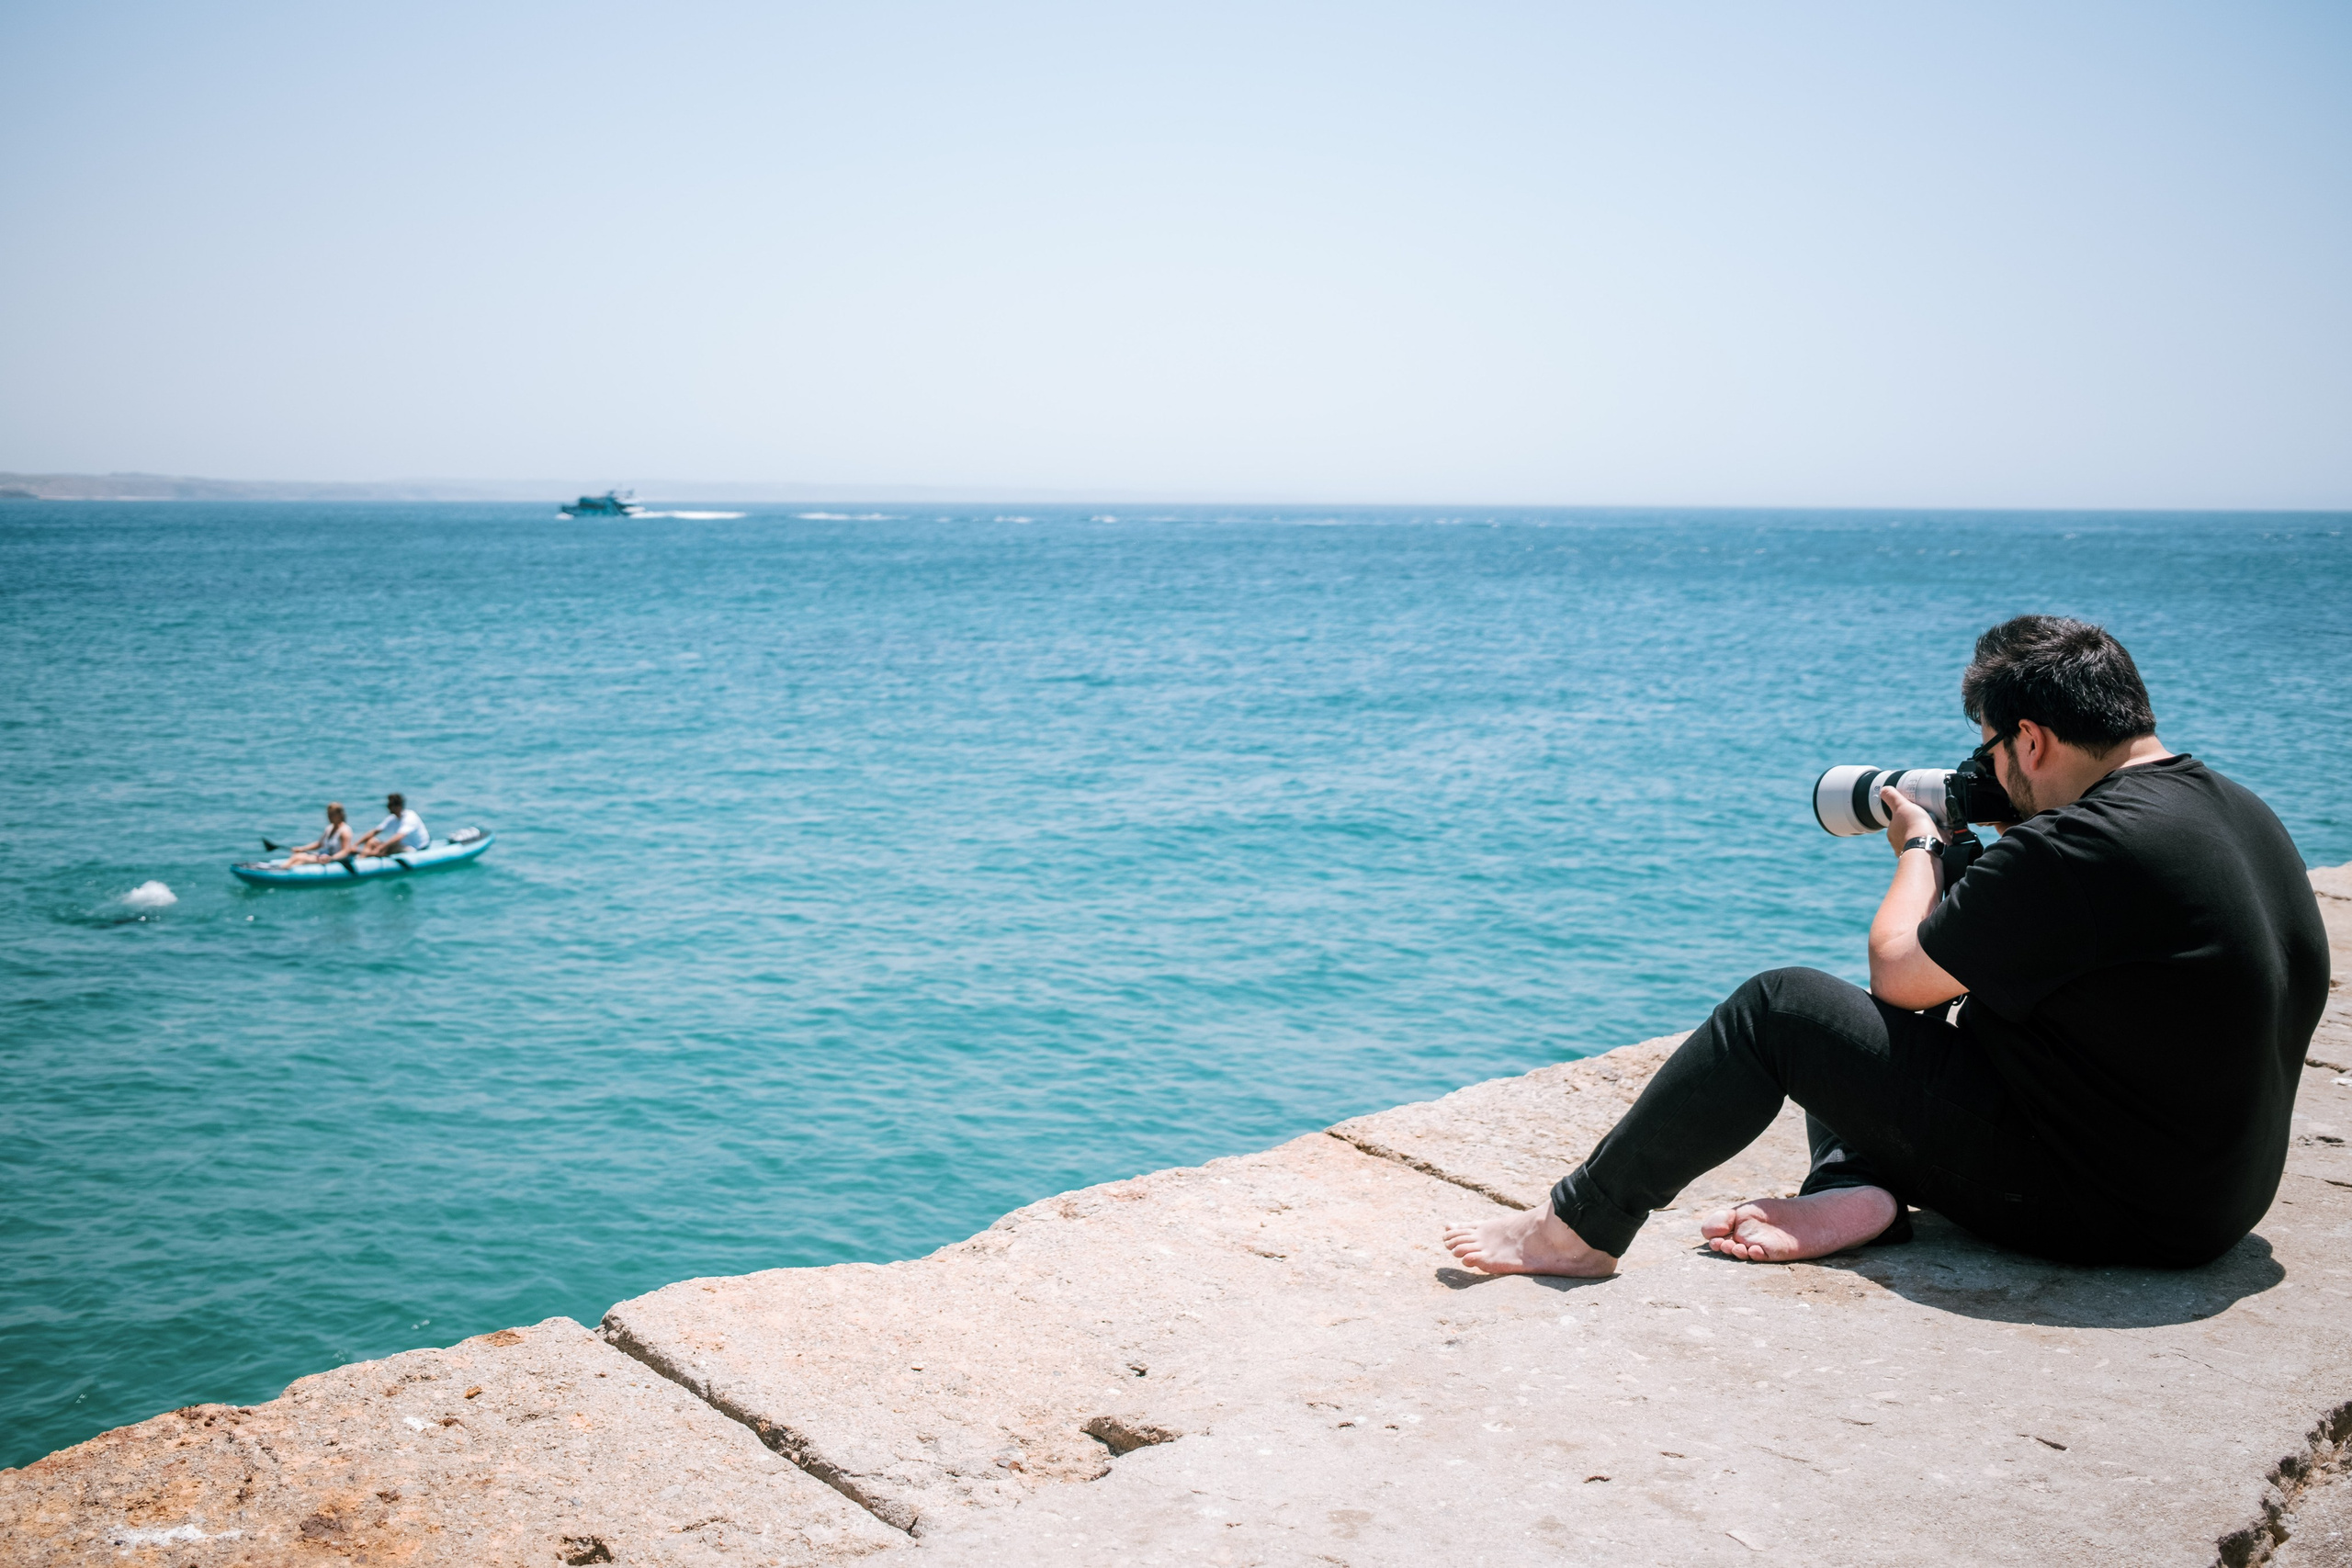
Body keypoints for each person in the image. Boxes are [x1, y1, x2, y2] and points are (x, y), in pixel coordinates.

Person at [1442, 615, 2329, 1277]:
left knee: (1781, 1010)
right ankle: (1858, 1186)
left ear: (2031, 737)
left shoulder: (2083, 843)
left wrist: (1923, 850)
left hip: (2116, 1213)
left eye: (1992, 745)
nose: (1988, 767)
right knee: (1883, 1027)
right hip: (2217, 1201)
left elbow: (1901, 976)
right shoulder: (2238, 808)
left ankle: (1576, 1228)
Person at [354, 793, 430, 858]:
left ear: (398, 806)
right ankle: (362, 859)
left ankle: (366, 856)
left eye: (390, 805)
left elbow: (399, 836)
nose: (388, 807)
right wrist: (356, 844)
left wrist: (382, 847)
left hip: (416, 848)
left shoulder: (410, 817)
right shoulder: (392, 818)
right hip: (401, 846)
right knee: (372, 841)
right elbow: (375, 832)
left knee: (384, 849)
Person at [283, 802, 355, 865]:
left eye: (332, 814)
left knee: (299, 859)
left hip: (334, 860)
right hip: (324, 857)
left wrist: (331, 858)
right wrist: (302, 848)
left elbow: (345, 851)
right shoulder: (329, 828)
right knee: (297, 857)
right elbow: (319, 844)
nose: (329, 817)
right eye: (328, 814)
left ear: (339, 815)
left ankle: (283, 871)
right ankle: (283, 869)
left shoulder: (345, 831)